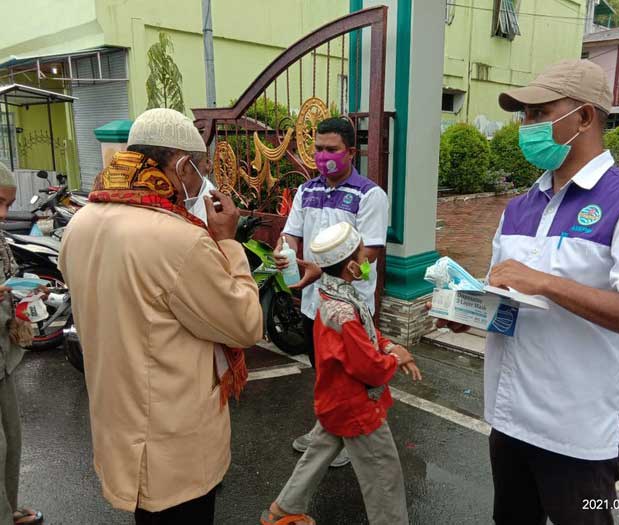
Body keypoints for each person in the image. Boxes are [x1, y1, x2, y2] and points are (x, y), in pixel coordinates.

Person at [442, 60, 619, 524]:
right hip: (510, 419)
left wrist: (550, 284)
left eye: (539, 113)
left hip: (579, 437)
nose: (526, 126)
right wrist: (471, 310)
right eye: (524, 115)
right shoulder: (519, 207)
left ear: (585, 118)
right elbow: (515, 304)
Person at [58, 109, 263, 524]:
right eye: (200, 169)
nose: (201, 182)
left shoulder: (80, 223)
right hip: (174, 443)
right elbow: (245, 324)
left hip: (119, 426)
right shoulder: (179, 239)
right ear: (183, 164)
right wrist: (228, 243)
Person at [261, 222, 420, 525]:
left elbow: (367, 336)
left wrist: (391, 347)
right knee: (383, 473)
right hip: (356, 406)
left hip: (335, 399)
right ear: (350, 266)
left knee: (320, 450)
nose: (366, 260)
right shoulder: (345, 310)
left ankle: (285, 508)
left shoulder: (333, 296)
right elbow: (369, 368)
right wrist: (394, 359)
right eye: (363, 255)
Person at [274, 117, 389, 468]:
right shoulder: (307, 190)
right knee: (323, 371)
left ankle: (348, 437)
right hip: (313, 304)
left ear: (351, 152)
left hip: (350, 307)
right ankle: (328, 427)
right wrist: (285, 249)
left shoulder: (369, 195)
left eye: (332, 150)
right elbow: (293, 232)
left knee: (350, 376)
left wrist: (321, 269)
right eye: (318, 149)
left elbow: (369, 253)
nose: (323, 156)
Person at [0, 163, 44, 525]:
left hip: (3, 361)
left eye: (8, 204)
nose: (3, 213)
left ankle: (8, 507)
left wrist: (27, 298)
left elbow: (10, 282)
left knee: (12, 441)